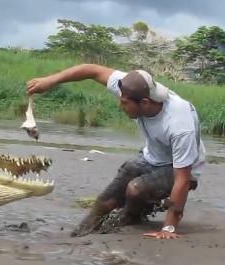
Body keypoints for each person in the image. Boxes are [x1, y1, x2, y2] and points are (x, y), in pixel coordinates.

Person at [26, 64, 205, 240]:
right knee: (106, 200)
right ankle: (78, 234)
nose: (121, 106)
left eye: (125, 103)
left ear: (144, 102)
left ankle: (132, 217)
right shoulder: (131, 87)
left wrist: (169, 227)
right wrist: (50, 81)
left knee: (135, 189)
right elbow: (91, 70)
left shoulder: (179, 124)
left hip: (182, 167)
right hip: (152, 156)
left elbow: (183, 179)